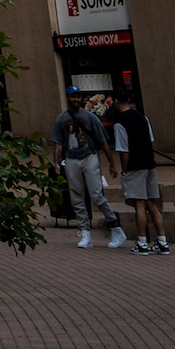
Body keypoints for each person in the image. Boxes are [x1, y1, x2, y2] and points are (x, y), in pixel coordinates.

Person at [49, 89, 127, 247]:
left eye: (78, 96)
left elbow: (103, 141)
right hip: (71, 159)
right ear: (68, 98)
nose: (75, 99)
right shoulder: (61, 119)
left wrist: (111, 164)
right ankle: (85, 232)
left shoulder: (90, 117)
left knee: (96, 196)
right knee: (76, 198)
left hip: (89, 157)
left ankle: (115, 228)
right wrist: (56, 163)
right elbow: (58, 143)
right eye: (73, 97)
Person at [109, 89, 170, 254]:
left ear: (115, 101)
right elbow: (150, 140)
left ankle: (142, 243)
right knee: (152, 202)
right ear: (128, 99)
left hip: (135, 166)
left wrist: (124, 170)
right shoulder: (143, 117)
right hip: (150, 164)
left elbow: (123, 150)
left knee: (139, 204)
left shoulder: (120, 123)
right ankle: (162, 241)